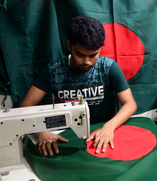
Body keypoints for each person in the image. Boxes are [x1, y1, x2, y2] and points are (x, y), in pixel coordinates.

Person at [20, 16, 137, 156]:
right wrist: (41, 132)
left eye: (94, 55)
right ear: (69, 46)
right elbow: (26, 105)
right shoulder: (53, 71)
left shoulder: (109, 68)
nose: (87, 61)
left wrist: (109, 127)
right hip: (64, 135)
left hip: (102, 131)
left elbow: (130, 104)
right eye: (80, 54)